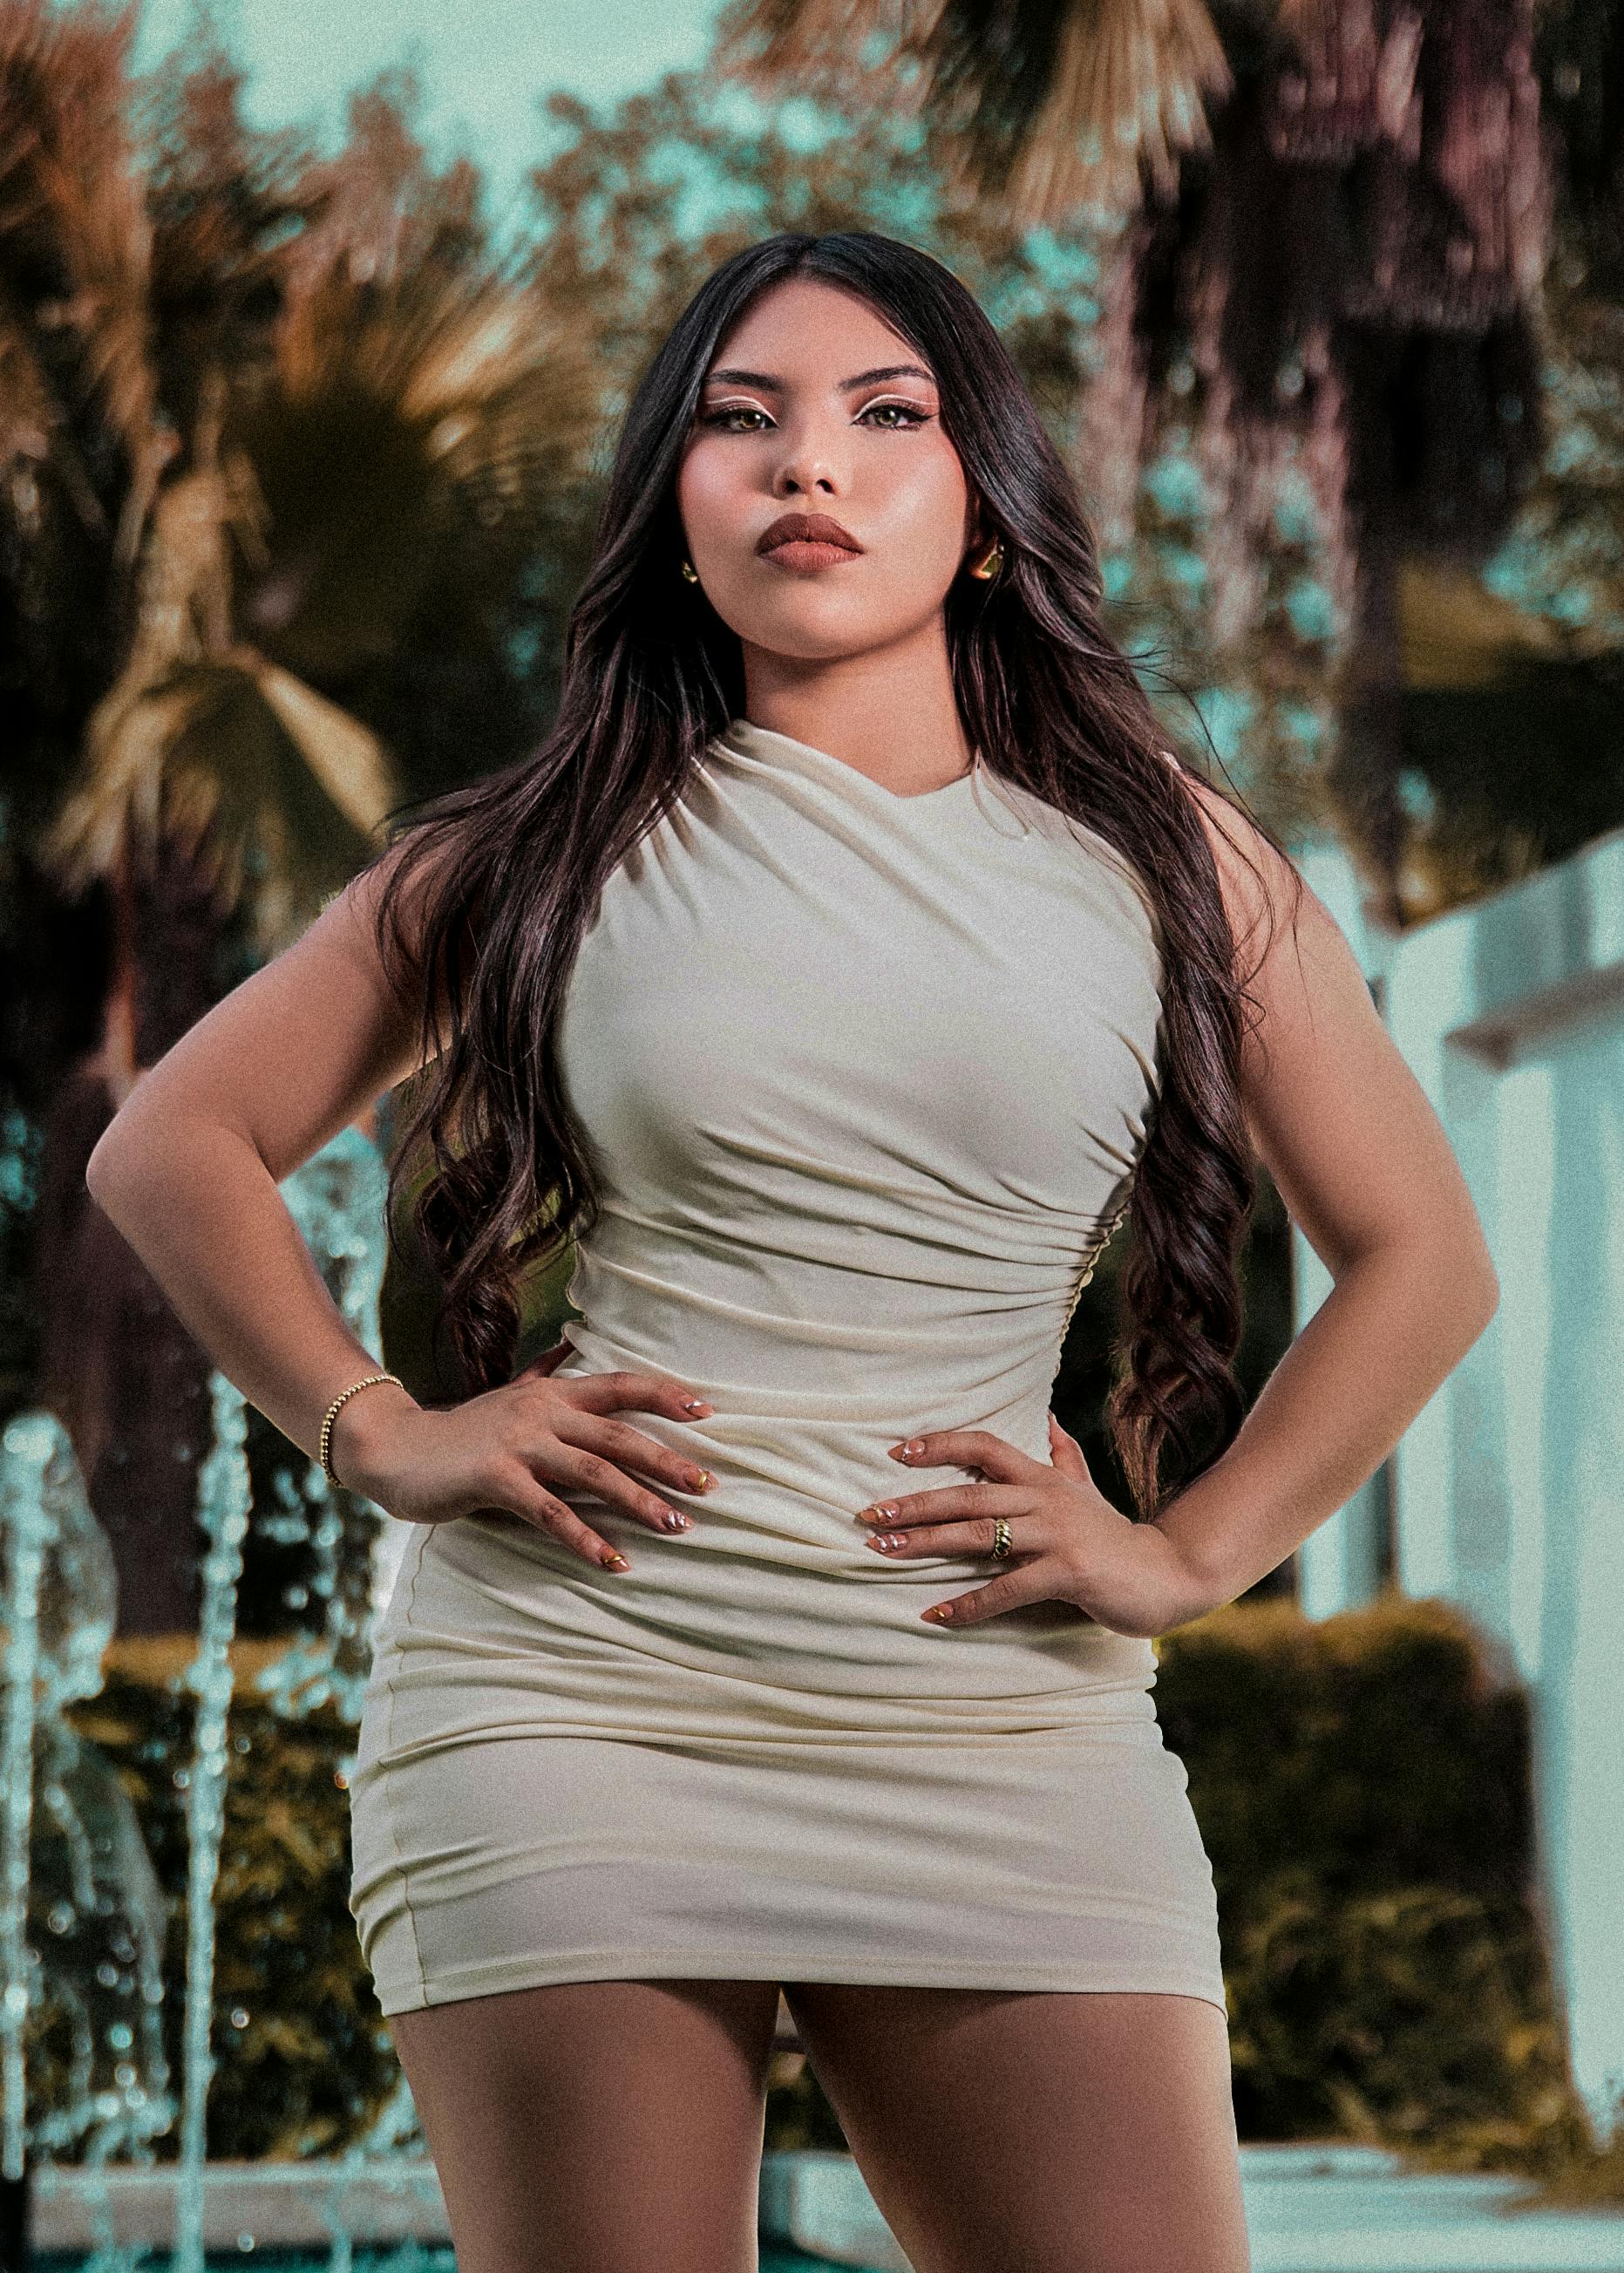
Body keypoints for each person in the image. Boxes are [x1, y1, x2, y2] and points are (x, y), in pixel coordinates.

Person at [85, 230, 1499, 2273]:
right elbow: (172, 1140)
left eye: (880, 414)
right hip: (575, 1695)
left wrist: (1187, 1554)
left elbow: (1418, 1254)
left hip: (1000, 1718)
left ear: (982, 500)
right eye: (738, 421)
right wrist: (377, 1427)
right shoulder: (536, 849)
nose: (802, 466)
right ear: (675, 509)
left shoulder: (1165, 853)